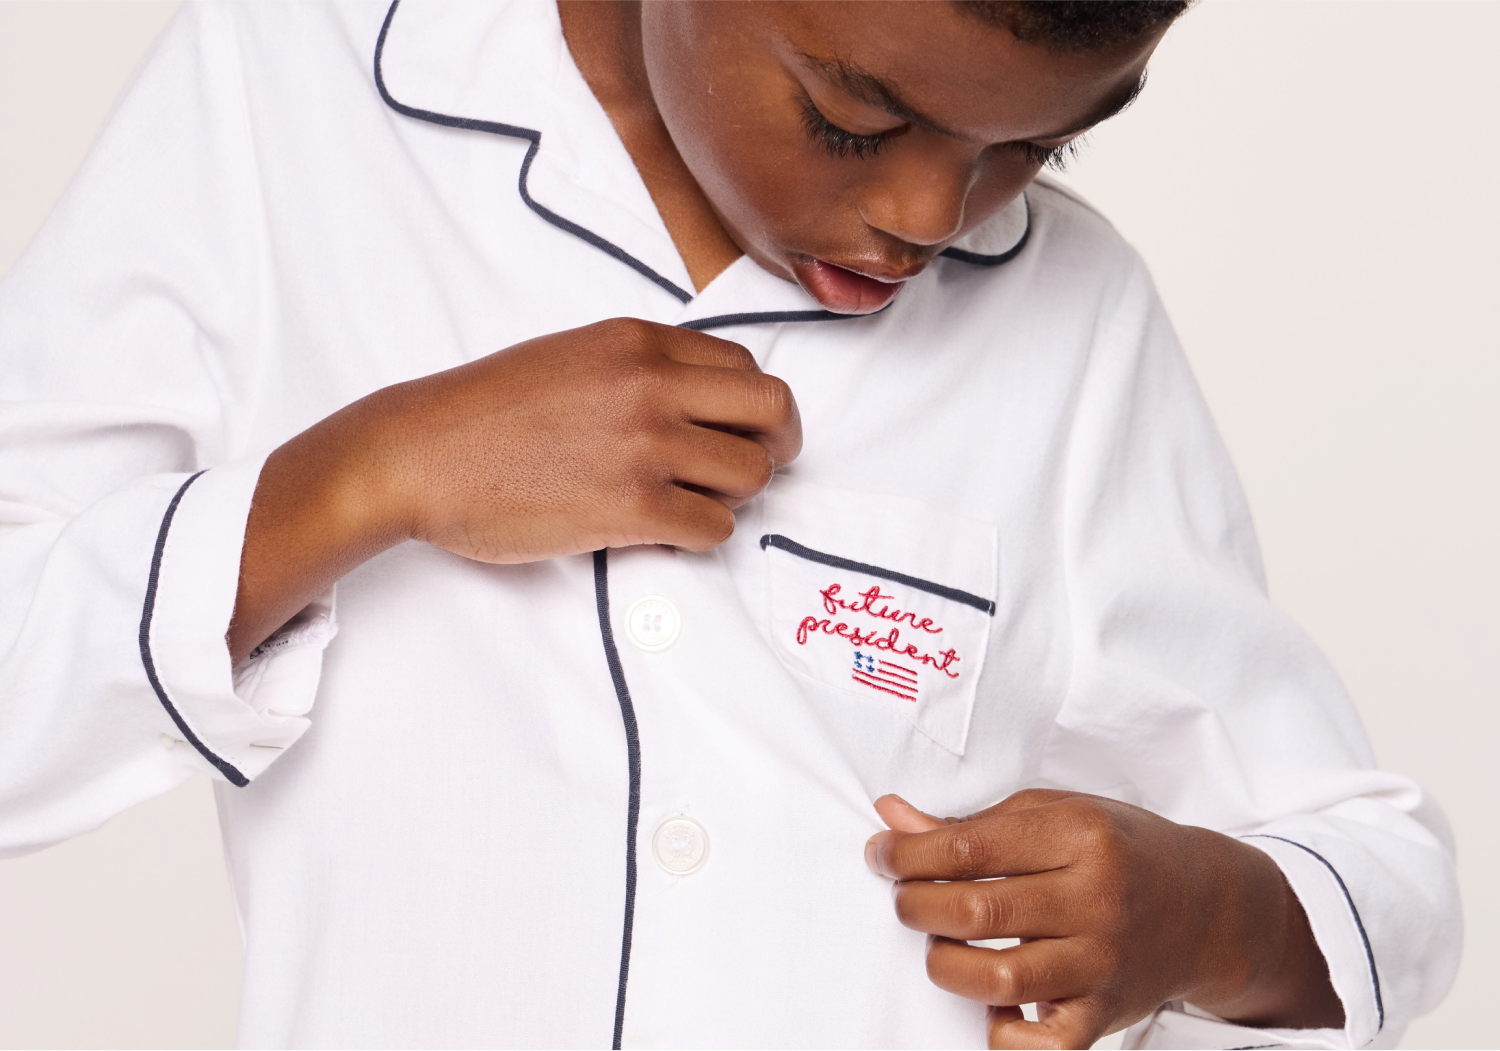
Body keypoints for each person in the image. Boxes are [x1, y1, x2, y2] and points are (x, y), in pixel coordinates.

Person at [0, 0, 1460, 1046]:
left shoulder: (1074, 328)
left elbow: (1383, 873)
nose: (934, 215)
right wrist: (375, 473)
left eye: (1038, 149)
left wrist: (1205, 915)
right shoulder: (284, 99)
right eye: (854, 116)